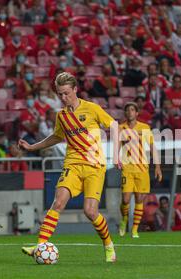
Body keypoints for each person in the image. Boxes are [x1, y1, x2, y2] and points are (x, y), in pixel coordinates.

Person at [19, 72, 119, 263]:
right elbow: (57, 137)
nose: (63, 98)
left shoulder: (92, 109)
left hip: (94, 166)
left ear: (75, 89)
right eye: (60, 94)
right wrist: (32, 147)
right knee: (58, 202)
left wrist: (115, 155)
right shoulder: (62, 116)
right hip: (72, 165)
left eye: (66, 93)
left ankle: (108, 246)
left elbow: (113, 126)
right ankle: (40, 246)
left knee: (90, 211)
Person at [118, 102, 162, 238]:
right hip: (127, 167)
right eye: (127, 110)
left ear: (137, 113)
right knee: (125, 199)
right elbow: (117, 146)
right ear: (125, 113)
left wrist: (158, 167)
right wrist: (117, 159)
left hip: (142, 168)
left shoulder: (145, 128)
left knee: (139, 199)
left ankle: (135, 229)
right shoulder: (121, 128)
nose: (130, 112)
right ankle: (124, 219)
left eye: (132, 110)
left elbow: (153, 147)